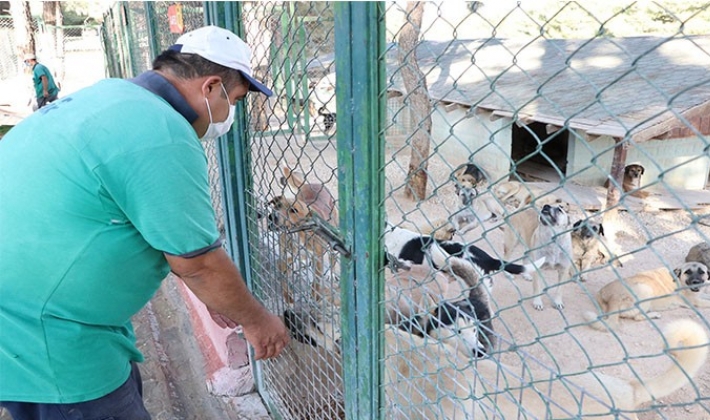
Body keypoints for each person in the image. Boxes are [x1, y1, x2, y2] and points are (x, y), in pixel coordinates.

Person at [0, 26, 290, 419]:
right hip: (50, 339)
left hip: (22, 313)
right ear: (211, 88)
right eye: (235, 99)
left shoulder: (108, 96)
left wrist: (223, 297)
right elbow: (199, 263)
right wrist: (257, 321)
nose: (230, 114)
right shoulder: (162, 133)